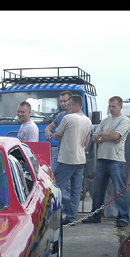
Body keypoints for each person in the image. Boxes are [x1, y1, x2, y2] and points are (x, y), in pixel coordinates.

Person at [85, 96, 130, 227]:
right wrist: (107, 136)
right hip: (102, 158)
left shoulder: (124, 120)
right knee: (98, 189)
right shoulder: (105, 121)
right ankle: (95, 215)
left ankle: (123, 217)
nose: (111, 109)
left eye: (114, 106)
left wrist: (103, 136)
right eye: (109, 106)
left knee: (119, 189)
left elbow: (116, 136)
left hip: (116, 159)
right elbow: (95, 138)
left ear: (120, 106)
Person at [50, 94, 91, 224]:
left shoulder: (68, 118)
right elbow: (87, 140)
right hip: (80, 158)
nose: (66, 107)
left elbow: (56, 135)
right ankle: (71, 217)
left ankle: (52, 214)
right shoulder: (87, 120)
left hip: (66, 158)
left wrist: (66, 140)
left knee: (56, 186)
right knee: (76, 189)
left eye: (69, 105)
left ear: (76, 105)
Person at [44, 90, 73, 170]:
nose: (63, 104)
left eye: (65, 101)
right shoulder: (61, 115)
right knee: (51, 173)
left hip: (71, 154)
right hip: (60, 152)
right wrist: (47, 131)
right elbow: (50, 126)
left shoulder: (78, 116)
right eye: (61, 101)